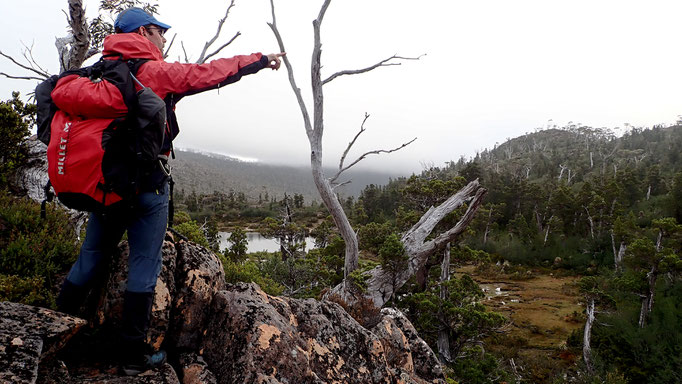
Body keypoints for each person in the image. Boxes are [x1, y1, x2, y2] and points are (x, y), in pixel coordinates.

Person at [54, 7, 285, 376]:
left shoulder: (90, 76)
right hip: (146, 188)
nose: (163, 38)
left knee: (90, 257)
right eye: (160, 31)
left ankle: (56, 337)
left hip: (105, 188)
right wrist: (258, 60)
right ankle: (131, 356)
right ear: (144, 32)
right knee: (144, 265)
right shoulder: (153, 73)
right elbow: (206, 74)